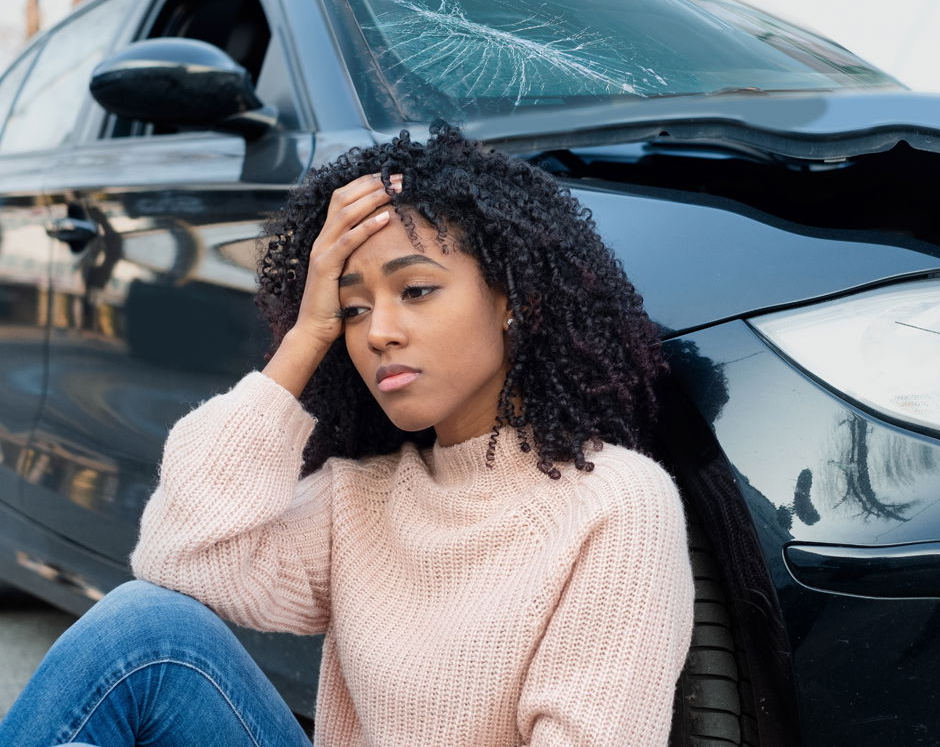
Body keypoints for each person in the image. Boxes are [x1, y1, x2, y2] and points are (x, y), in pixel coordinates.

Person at [0, 124, 695, 746]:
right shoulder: (362, 498)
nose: (378, 332)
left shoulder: (614, 506)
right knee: (142, 628)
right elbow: (180, 559)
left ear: (516, 299)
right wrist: (306, 335)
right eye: (353, 308)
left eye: (415, 290)